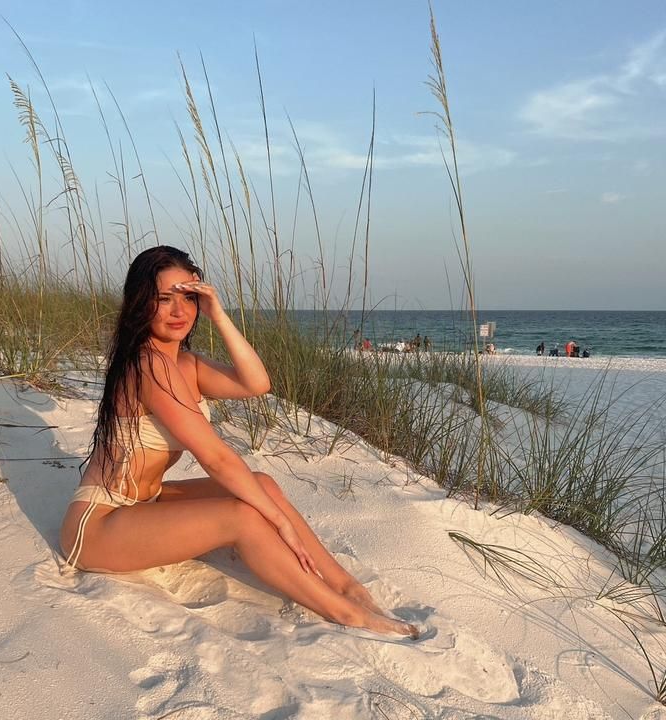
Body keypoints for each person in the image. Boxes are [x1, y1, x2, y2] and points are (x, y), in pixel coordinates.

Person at [60, 246, 418, 639]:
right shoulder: (146, 364)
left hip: (149, 502)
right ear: (140, 303)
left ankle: (348, 586)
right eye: (164, 299)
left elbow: (256, 383)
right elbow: (214, 456)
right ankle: (345, 613)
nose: (179, 311)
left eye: (189, 298)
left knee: (262, 485)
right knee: (245, 517)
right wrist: (280, 522)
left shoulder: (186, 365)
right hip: (98, 526)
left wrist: (219, 316)